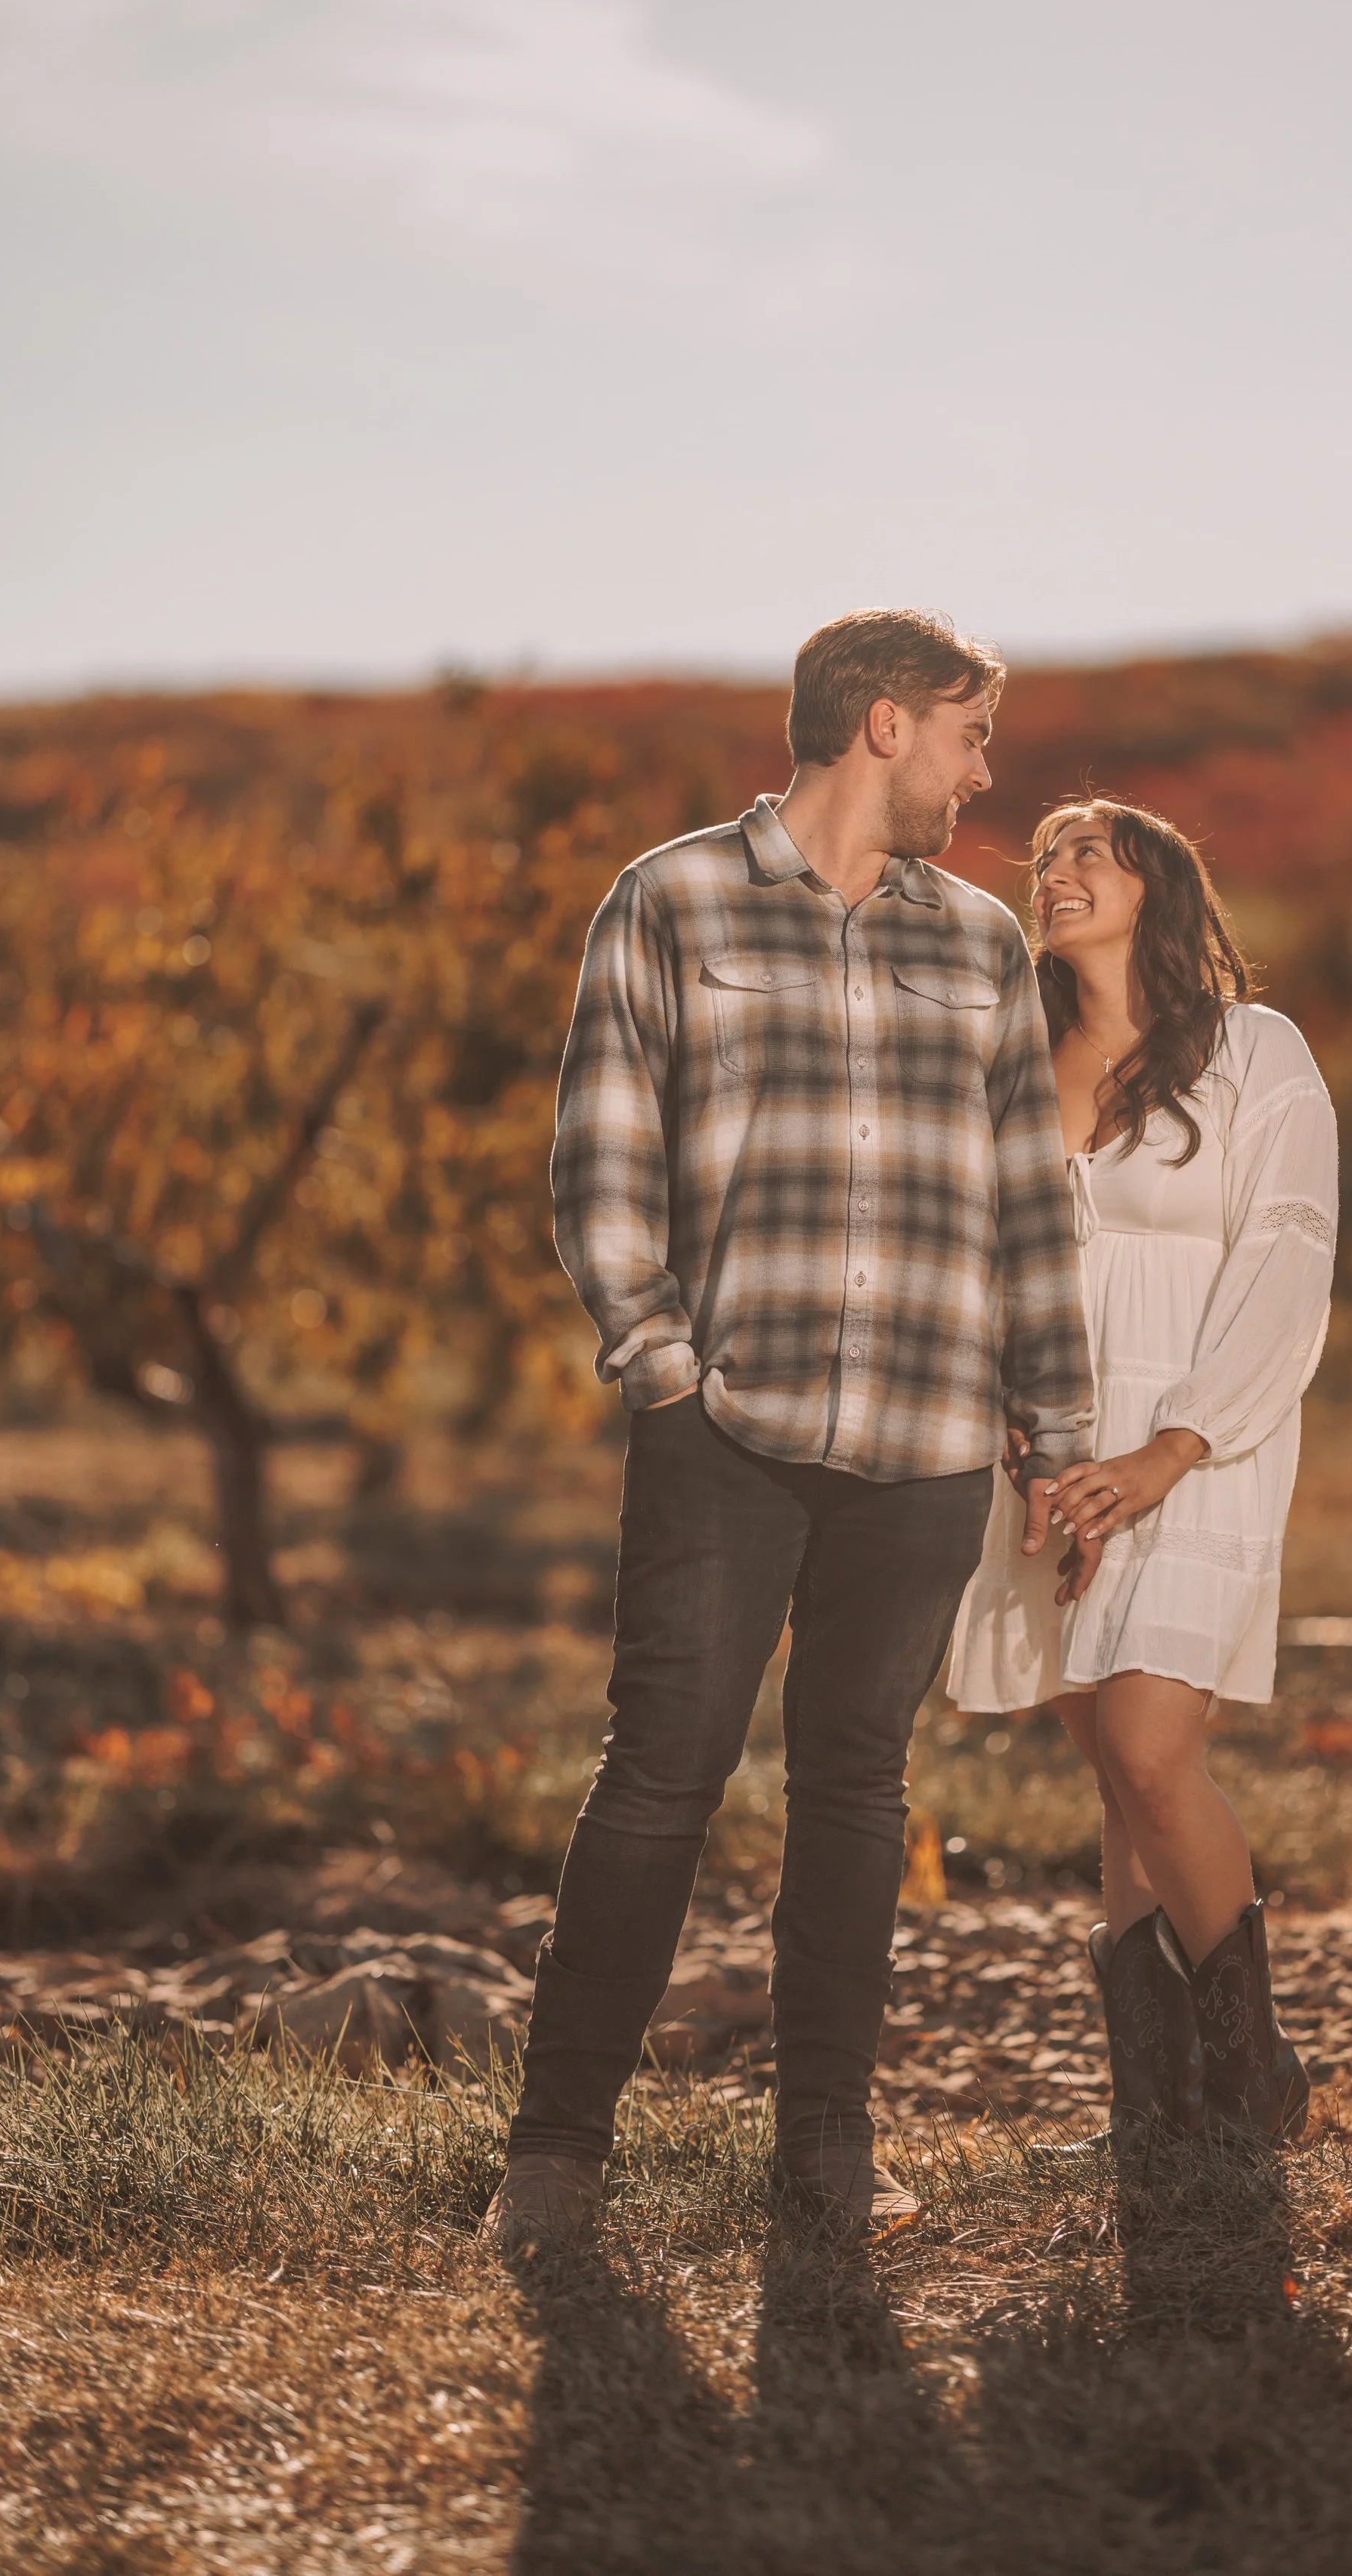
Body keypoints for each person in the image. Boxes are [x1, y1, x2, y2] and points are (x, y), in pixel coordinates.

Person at [484, 609, 1094, 2246]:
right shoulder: (667, 900)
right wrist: (663, 1364)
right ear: (883, 723)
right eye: (970, 732)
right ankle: (552, 2163)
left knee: (854, 1794)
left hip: (923, 1441)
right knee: (660, 1774)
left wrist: (1054, 1421)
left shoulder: (974, 945)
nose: (985, 768)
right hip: (724, 1431)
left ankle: (822, 2154)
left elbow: (1028, 1204)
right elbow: (600, 1167)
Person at [947, 800, 1337, 2142]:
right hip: (1058, 1456)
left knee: (1150, 1746)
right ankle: (1155, 2105)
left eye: (1086, 857)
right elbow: (988, 1263)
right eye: (1044, 859)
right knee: (1116, 1778)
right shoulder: (1019, 1060)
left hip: (1198, 1442)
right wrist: (1021, 1426)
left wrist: (1174, 1446)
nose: (1053, 876)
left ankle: (1254, 2071)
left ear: (1158, 889)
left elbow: (1289, 1251)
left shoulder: (1252, 1052)